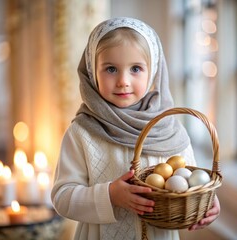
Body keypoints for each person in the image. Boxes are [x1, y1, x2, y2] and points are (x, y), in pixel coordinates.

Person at [51, 17, 220, 240]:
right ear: (92, 72)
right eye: (111, 69)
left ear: (153, 73)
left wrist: (206, 201)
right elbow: (62, 198)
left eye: (136, 69)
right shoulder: (83, 132)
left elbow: (190, 178)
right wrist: (109, 195)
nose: (123, 81)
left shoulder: (169, 128)